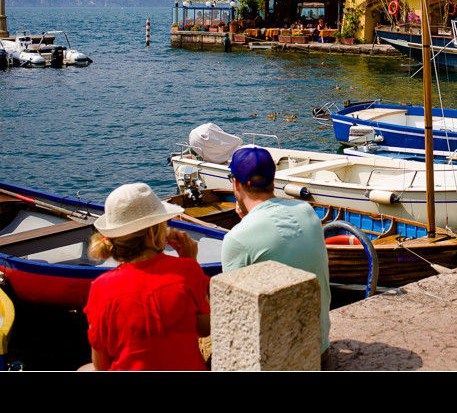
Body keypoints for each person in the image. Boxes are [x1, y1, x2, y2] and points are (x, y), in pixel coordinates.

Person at [82, 182, 210, 371]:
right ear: (152, 233)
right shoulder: (187, 270)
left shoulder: (100, 288)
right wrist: (190, 262)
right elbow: (205, 329)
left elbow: (101, 365)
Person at [220, 145, 331, 360]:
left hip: (281, 362)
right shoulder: (308, 212)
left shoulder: (236, 238)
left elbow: (233, 319)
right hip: (320, 349)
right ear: (274, 178)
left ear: (235, 183)